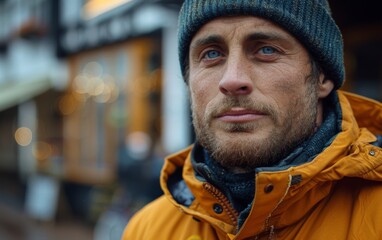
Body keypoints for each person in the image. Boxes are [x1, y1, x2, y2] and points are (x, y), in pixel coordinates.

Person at [122, 0, 382, 239]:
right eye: (211, 54)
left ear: (322, 78)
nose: (232, 80)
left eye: (266, 50)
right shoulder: (147, 230)